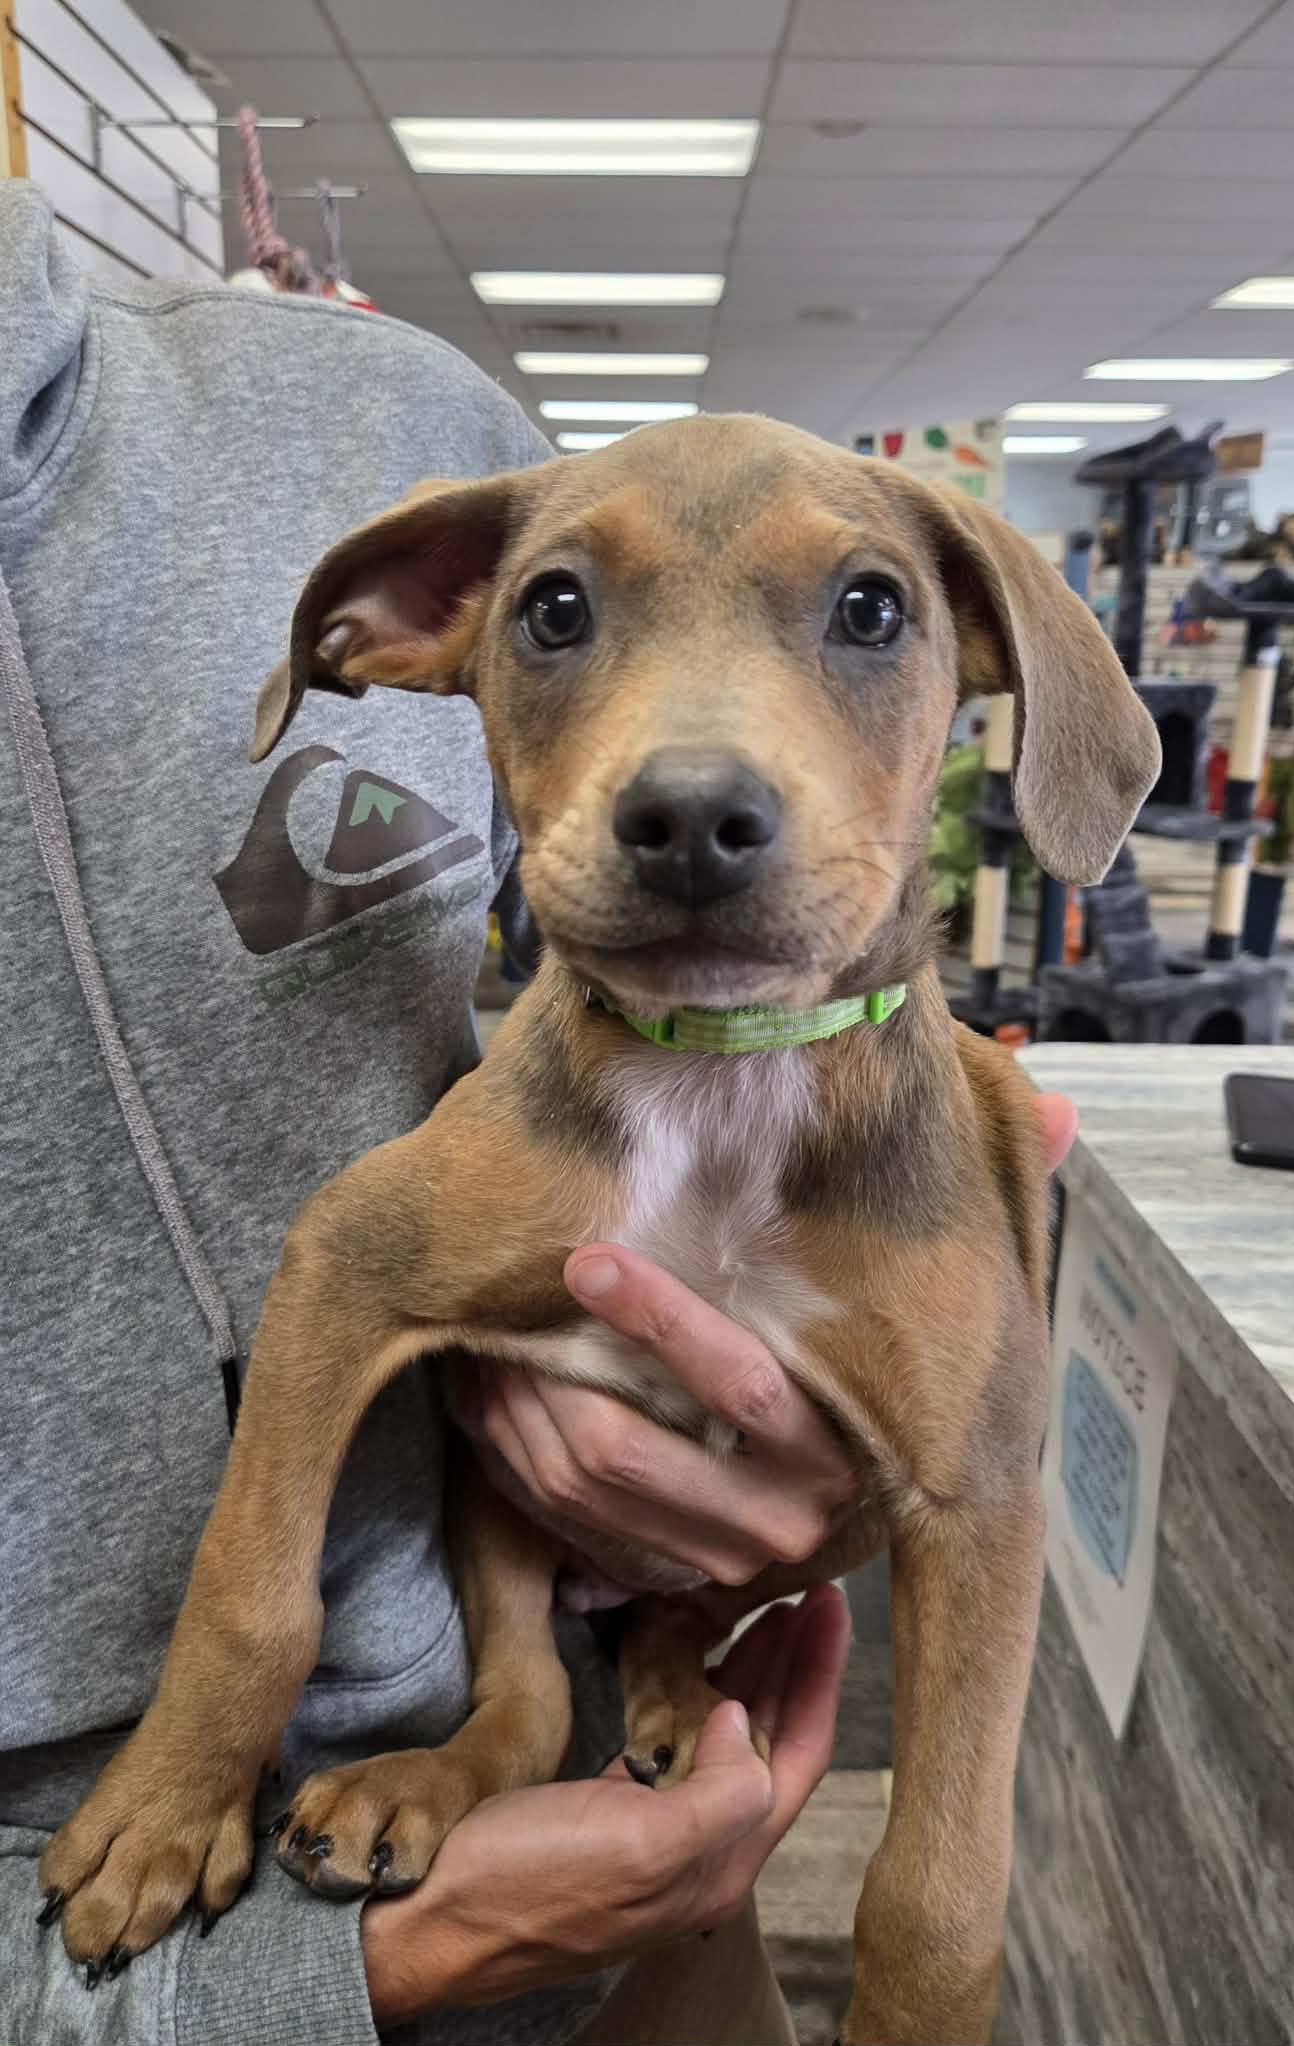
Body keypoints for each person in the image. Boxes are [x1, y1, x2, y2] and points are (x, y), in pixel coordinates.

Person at [0, 178, 1074, 2042]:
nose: (696, 780)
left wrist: (928, 1947)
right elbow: (351, 1256)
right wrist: (233, 1683)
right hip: (269, 1871)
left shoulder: (387, 404)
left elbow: (976, 1503)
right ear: (432, 632)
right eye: (563, 618)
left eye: (866, 614)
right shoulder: (526, 1121)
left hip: (640, 1875)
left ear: (987, 656)